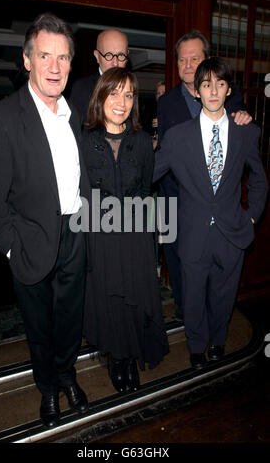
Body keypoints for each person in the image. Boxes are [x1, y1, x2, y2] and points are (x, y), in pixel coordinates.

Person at [0, 13, 91, 428]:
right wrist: (9, 247)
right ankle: (47, 388)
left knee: (69, 321)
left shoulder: (73, 113)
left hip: (74, 235)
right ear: (27, 60)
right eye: (45, 56)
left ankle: (68, 376)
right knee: (39, 328)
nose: (55, 67)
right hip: (29, 243)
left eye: (62, 58)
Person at [153, 57, 268, 369]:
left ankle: (218, 341)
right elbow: (148, 173)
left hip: (232, 233)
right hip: (192, 233)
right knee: (192, 297)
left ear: (228, 90)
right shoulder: (177, 137)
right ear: (197, 92)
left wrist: (252, 217)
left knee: (222, 295)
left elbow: (259, 179)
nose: (213, 90)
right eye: (206, 84)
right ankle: (196, 345)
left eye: (220, 83)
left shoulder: (246, 132)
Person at [81, 67, 169, 393]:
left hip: (135, 237)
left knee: (134, 298)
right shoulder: (84, 142)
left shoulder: (144, 142)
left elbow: (146, 190)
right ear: (100, 96)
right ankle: (117, 358)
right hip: (99, 237)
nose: (122, 101)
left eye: (129, 94)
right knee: (109, 300)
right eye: (114, 93)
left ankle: (131, 357)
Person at [157, 30, 253, 324]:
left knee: (216, 263)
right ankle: (188, 315)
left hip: (214, 204)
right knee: (178, 260)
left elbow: (242, 139)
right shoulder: (166, 101)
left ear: (207, 59)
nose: (187, 65)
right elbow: (163, 155)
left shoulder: (229, 97)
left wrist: (245, 117)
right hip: (173, 199)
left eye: (194, 58)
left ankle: (213, 318)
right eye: (182, 60)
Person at [69, 29, 129, 123]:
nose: (115, 63)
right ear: (97, 56)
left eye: (121, 55)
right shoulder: (82, 88)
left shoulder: (131, 89)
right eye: (109, 55)